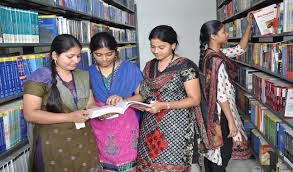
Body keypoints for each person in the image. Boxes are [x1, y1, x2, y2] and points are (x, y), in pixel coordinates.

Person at [23, 34, 100, 172]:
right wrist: (69, 117)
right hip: (53, 144)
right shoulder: (41, 76)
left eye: (78, 56)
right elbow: (30, 114)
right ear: (54, 55)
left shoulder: (82, 75)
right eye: (70, 57)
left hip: (82, 141)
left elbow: (90, 104)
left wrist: (101, 112)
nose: (76, 60)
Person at [137, 25, 201, 171]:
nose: (156, 51)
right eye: (152, 46)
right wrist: (124, 101)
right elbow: (144, 94)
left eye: (161, 47)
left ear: (173, 45)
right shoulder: (149, 66)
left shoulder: (185, 66)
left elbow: (194, 99)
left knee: (174, 165)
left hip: (177, 126)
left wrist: (163, 105)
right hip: (150, 125)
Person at [198, 13, 253, 172]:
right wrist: (231, 123)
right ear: (213, 36)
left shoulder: (209, 54)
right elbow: (221, 95)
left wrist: (249, 26)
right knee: (222, 155)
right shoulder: (216, 61)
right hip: (220, 115)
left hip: (210, 113)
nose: (227, 34)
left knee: (212, 154)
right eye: (223, 32)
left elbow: (239, 49)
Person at [88, 32, 143, 171]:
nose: (104, 59)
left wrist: (124, 99)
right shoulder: (87, 72)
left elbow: (141, 96)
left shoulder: (130, 69)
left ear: (116, 52)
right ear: (92, 54)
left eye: (109, 54)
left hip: (125, 125)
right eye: (98, 55)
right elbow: (87, 102)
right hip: (99, 126)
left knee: (129, 167)